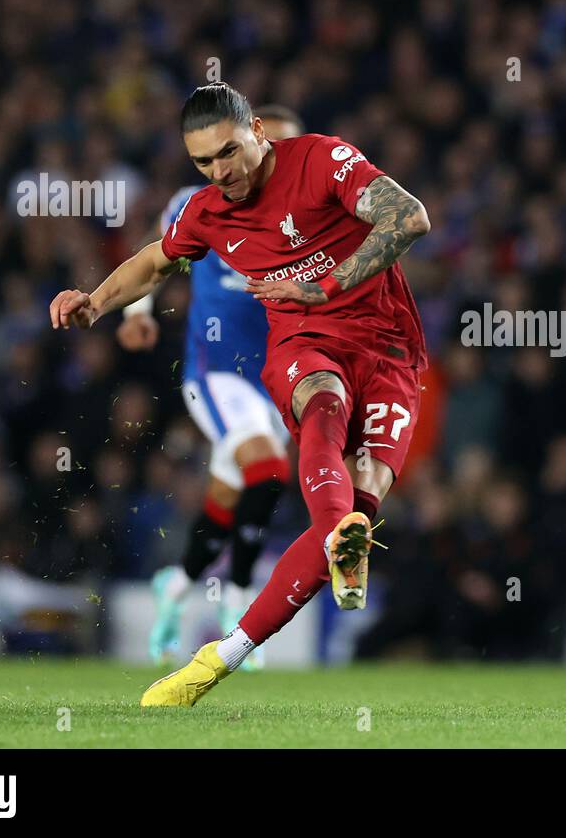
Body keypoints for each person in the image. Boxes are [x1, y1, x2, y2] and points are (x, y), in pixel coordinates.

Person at [49, 83, 430, 706]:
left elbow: (409, 216)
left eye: (229, 152)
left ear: (257, 132)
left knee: (363, 500)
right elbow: (154, 262)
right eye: (204, 162)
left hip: (390, 352)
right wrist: (95, 301)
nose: (221, 172)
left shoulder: (321, 160)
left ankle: (220, 655)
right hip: (304, 344)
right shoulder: (207, 210)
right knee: (320, 402)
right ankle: (339, 543)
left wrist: (332, 281)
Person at [117, 107, 302, 670]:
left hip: (278, 377)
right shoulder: (195, 205)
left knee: (229, 496)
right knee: (269, 472)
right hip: (217, 374)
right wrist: (139, 309)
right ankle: (243, 599)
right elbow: (157, 257)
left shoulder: (308, 212)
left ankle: (177, 585)